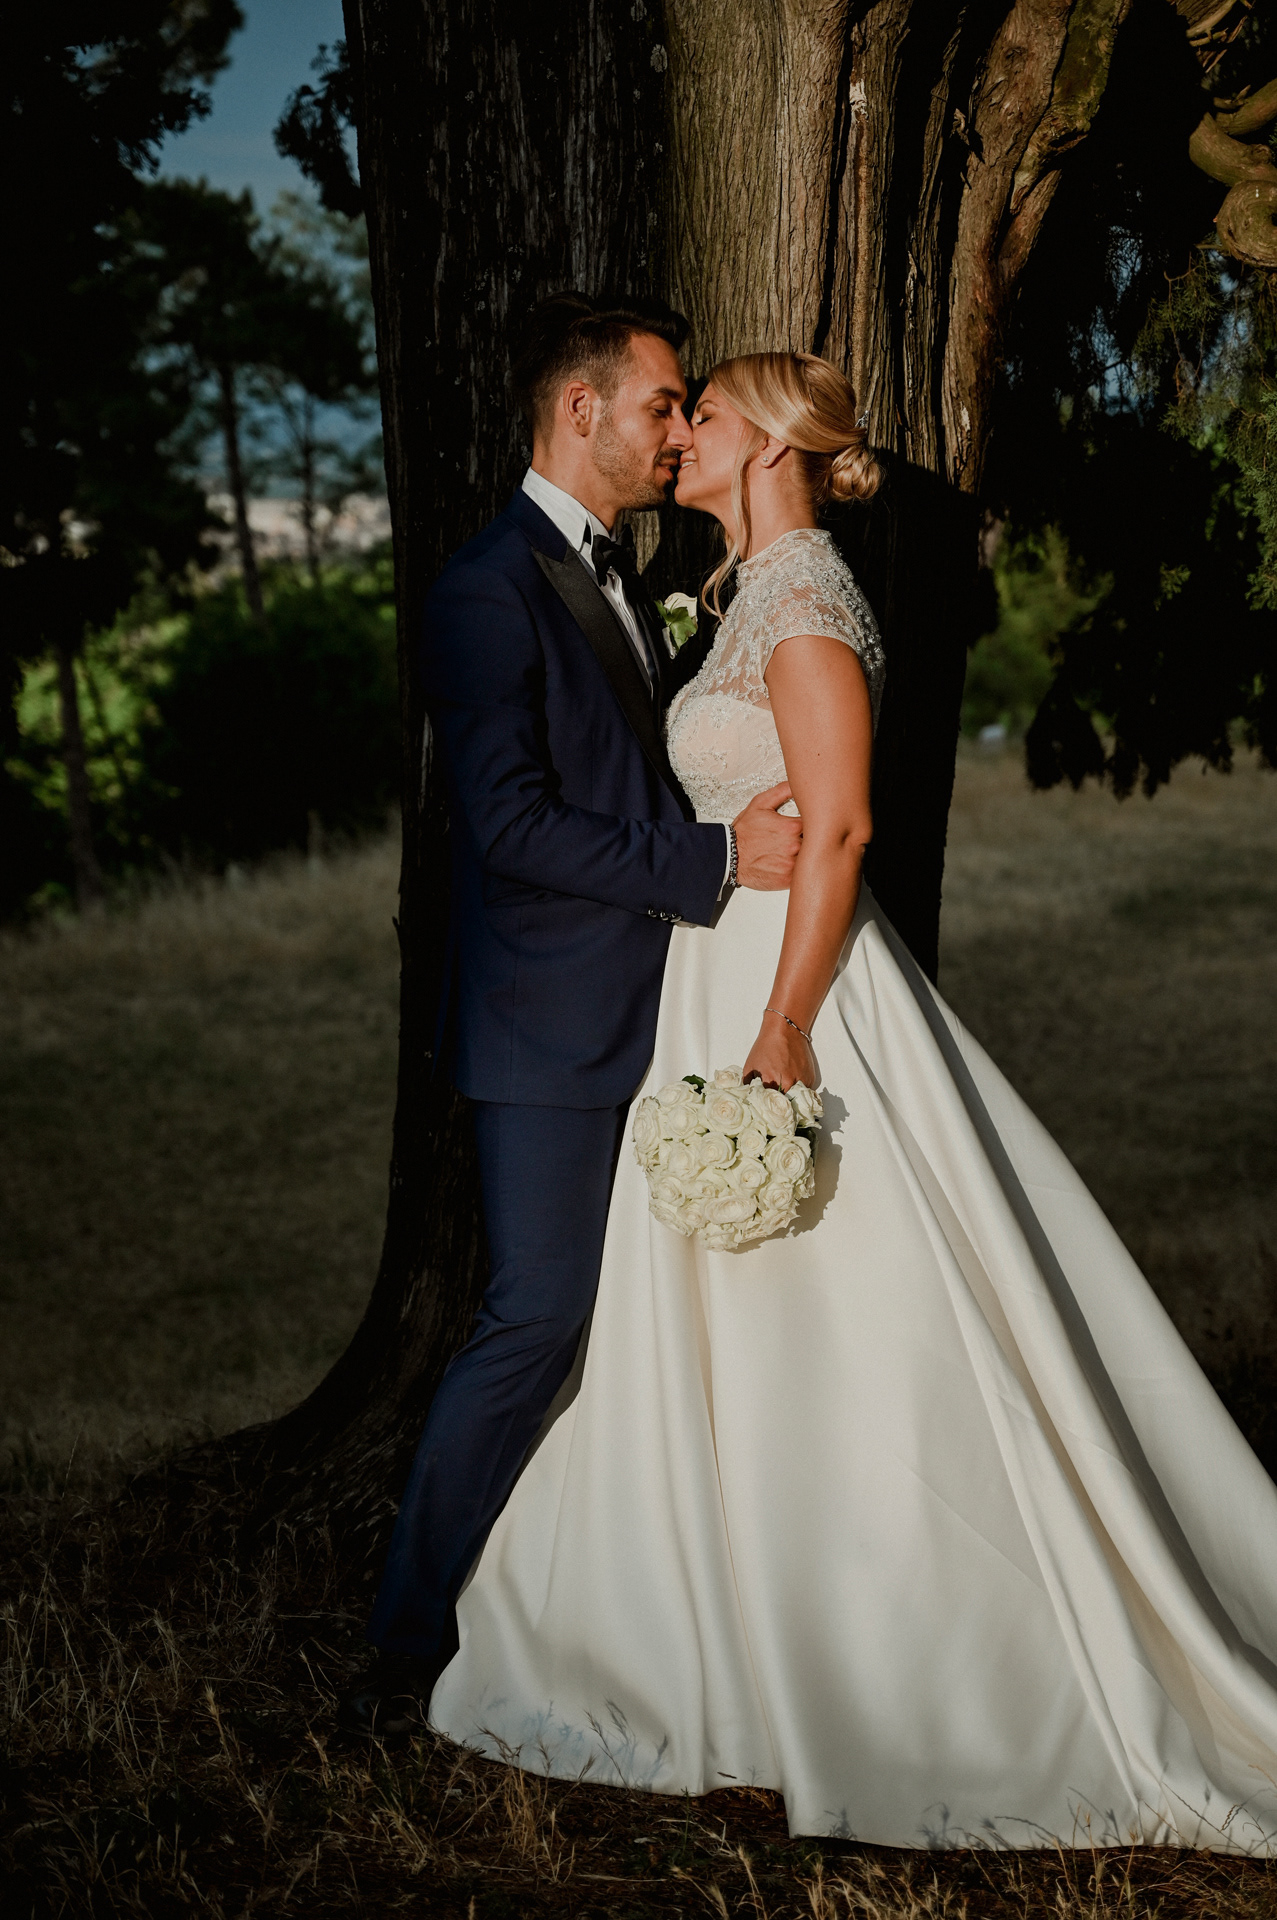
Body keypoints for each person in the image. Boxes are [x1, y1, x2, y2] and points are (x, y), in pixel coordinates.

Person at [427, 350, 1277, 1851]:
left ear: (768, 446)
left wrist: (779, 1025)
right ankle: (728, 1614)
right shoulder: (742, 594)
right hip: (707, 974)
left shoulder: (807, 600)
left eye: (701, 415)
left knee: (849, 1309)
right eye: (668, 409)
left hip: (785, 991)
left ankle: (894, 1639)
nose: (680, 434)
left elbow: (840, 830)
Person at [338, 296, 802, 1738]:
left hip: (651, 1010)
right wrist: (714, 862)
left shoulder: (626, 574)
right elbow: (513, 826)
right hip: (543, 1025)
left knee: (652, 1327)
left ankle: (614, 1612)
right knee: (535, 1318)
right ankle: (401, 1651)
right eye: (661, 404)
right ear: (578, 410)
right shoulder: (488, 587)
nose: (676, 430)